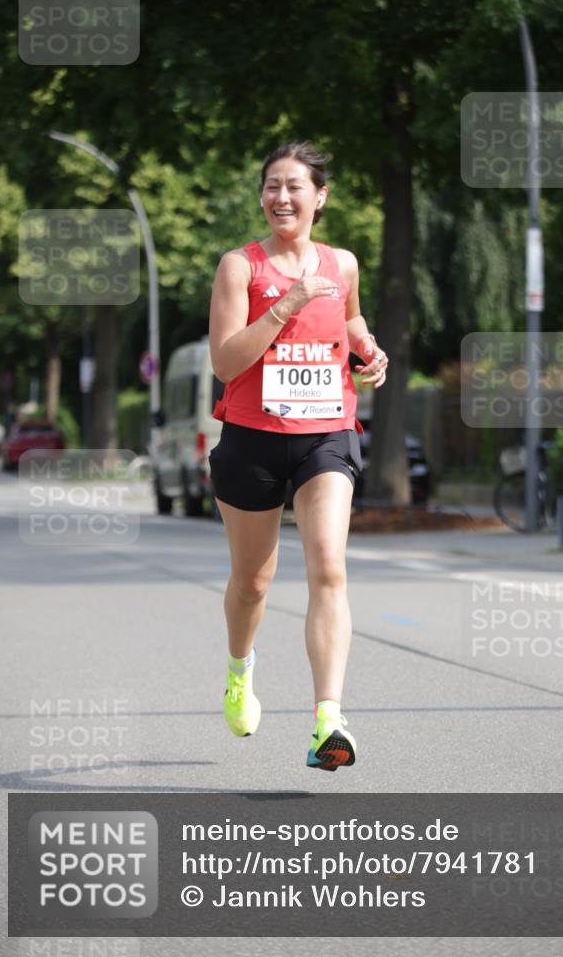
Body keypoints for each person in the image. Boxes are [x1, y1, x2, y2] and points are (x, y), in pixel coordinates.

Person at [208, 141, 388, 771]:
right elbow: (225, 362)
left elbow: (353, 320)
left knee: (329, 569)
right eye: (271, 186)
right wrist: (285, 304)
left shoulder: (342, 264)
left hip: (325, 434)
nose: (281, 197)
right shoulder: (241, 268)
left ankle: (327, 723)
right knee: (253, 583)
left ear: (319, 197)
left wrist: (370, 349)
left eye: (294, 186)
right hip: (253, 439)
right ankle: (239, 671)